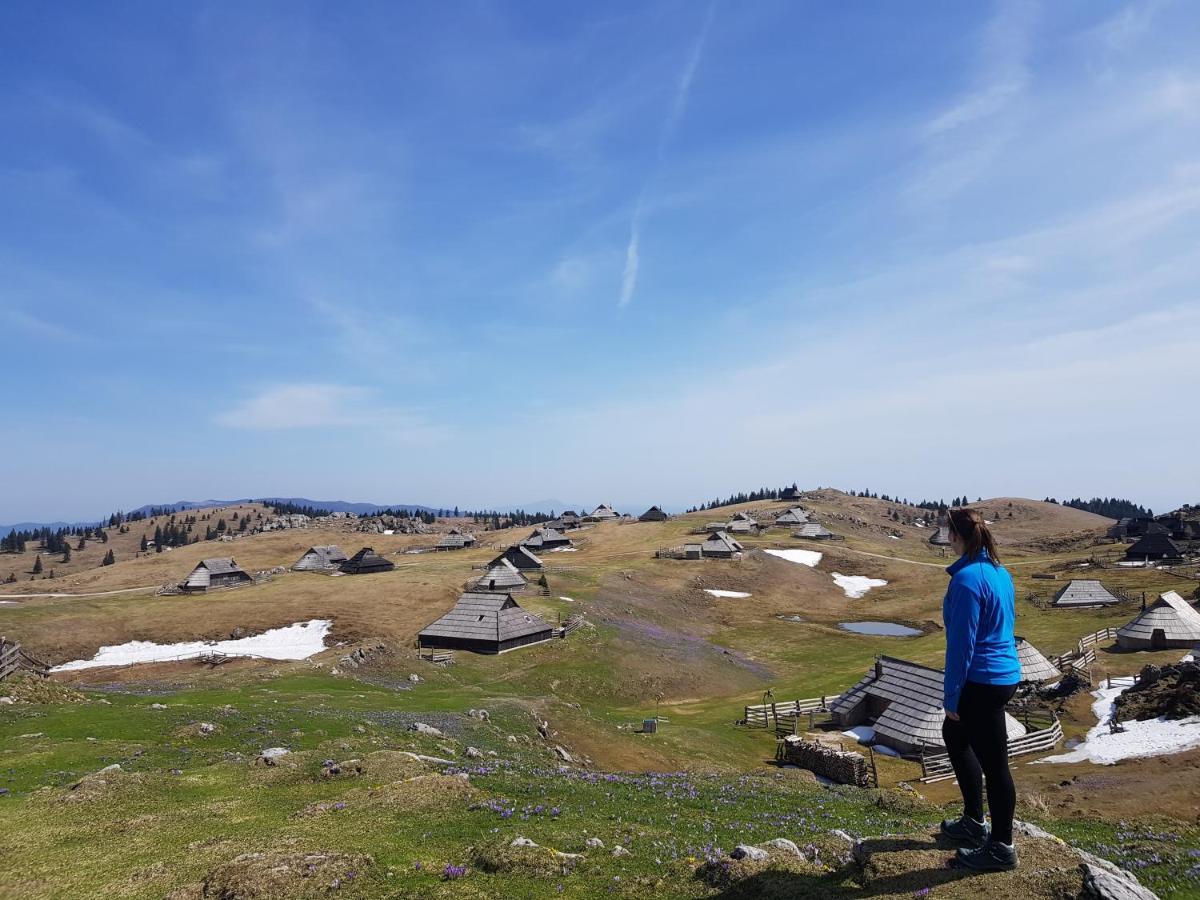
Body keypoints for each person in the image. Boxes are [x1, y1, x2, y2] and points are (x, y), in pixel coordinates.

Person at [937, 507, 1022, 871]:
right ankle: (973, 821)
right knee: (954, 736)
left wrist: (952, 696)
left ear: (956, 536)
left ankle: (1001, 847)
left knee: (995, 765)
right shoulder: (1000, 572)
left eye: (947, 533)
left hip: (981, 680)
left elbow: (961, 644)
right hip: (1002, 674)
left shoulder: (967, 580)